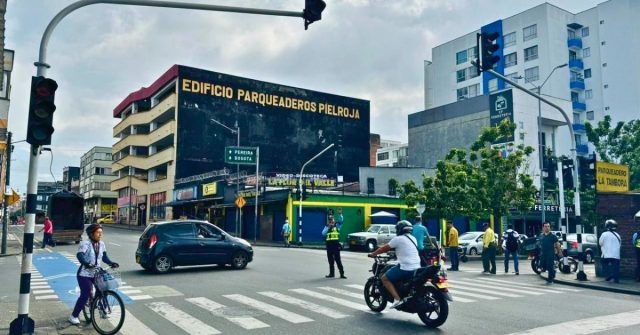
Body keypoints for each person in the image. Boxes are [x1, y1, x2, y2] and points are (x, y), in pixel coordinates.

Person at [69, 224, 119, 325]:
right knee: (86, 293)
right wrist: (86, 263)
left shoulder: (102, 244)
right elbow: (80, 255)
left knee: (103, 289)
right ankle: (73, 316)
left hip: (96, 272)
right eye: (98, 233)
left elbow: (104, 257)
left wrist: (111, 263)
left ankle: (102, 309)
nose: (100, 235)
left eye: (101, 233)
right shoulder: (85, 244)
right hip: (84, 274)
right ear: (92, 234)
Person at [368, 220, 420, 309]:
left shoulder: (398, 239)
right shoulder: (413, 238)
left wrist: (374, 253)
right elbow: (405, 249)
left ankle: (397, 299)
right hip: (417, 267)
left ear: (399, 229)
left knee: (384, 278)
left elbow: (384, 248)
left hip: (406, 268)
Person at [599, 219, 621, 283]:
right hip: (616, 255)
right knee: (616, 267)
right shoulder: (618, 235)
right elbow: (620, 244)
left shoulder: (604, 234)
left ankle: (608, 275)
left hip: (606, 254)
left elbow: (600, 243)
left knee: (604, 263)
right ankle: (616, 278)